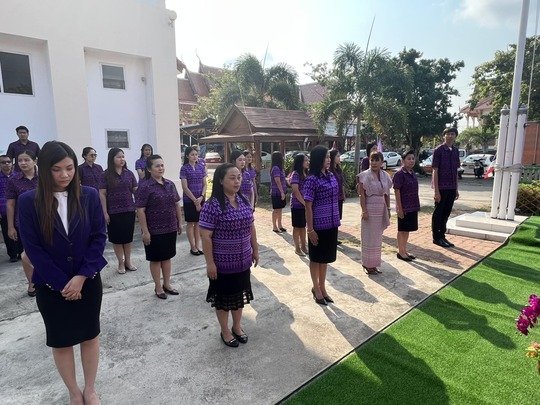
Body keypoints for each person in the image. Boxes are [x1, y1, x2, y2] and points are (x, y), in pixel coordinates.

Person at [17, 141, 106, 405]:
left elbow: (99, 237)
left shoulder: (89, 195)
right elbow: (32, 248)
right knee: (61, 341)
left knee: (90, 336)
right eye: (57, 169)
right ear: (44, 169)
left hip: (87, 281)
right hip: (50, 285)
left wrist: (81, 277)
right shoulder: (28, 202)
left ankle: (90, 389)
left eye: (69, 168)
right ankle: (73, 392)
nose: (65, 175)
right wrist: (62, 284)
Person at [200, 163, 259, 347]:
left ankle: (237, 327)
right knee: (224, 300)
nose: (237, 181)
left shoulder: (243, 200)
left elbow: (251, 227)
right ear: (220, 180)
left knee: (239, 296)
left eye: (239, 177)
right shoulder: (212, 205)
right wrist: (210, 263)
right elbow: (206, 236)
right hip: (222, 264)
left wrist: (255, 249)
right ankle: (225, 330)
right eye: (232, 178)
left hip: (243, 261)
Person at [136, 155, 183, 299]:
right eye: (157, 166)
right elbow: (140, 210)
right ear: (149, 169)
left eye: (162, 165)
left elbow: (176, 204)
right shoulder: (144, 187)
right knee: (156, 259)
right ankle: (158, 287)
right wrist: (145, 231)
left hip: (170, 227)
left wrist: (179, 222)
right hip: (153, 230)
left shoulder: (170, 184)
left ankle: (167, 284)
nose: (161, 168)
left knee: (167, 257)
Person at [304, 145, 340, 305]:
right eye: (326, 157)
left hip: (332, 224)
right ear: (318, 159)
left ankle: (322, 287)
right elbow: (308, 206)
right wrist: (310, 229)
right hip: (318, 226)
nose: (328, 160)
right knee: (316, 258)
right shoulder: (312, 179)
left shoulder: (331, 175)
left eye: (329, 157)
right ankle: (316, 288)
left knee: (325, 259)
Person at [99, 148, 138, 273]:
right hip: (113, 212)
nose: (122, 159)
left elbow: (135, 190)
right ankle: (121, 263)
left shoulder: (129, 173)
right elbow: (102, 194)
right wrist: (105, 212)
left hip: (129, 210)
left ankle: (128, 261)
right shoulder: (105, 175)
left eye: (123, 156)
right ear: (112, 159)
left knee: (127, 238)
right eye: (119, 157)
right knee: (117, 239)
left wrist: (140, 206)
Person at [6, 150, 39, 295]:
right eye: (20, 160)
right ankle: (32, 283)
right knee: (27, 254)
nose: (23, 163)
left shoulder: (45, 177)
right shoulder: (14, 180)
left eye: (26, 160)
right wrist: (10, 226)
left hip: (46, 220)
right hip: (25, 223)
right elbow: (11, 204)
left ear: (34, 161)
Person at [357, 151, 392, 275]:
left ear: (382, 162)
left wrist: (388, 209)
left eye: (377, 160)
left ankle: (374, 264)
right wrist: (364, 210)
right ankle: (367, 264)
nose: (374, 163)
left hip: (380, 209)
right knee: (368, 237)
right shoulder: (364, 176)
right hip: (369, 209)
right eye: (372, 160)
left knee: (377, 238)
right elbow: (362, 195)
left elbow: (387, 194)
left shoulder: (385, 176)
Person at [431, 127, 460, 248]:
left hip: (452, 187)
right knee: (439, 212)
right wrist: (436, 191)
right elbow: (435, 170)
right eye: (448, 134)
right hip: (441, 187)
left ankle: (442, 235)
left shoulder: (455, 151)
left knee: (446, 213)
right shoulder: (439, 150)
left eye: (452, 134)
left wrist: (456, 189)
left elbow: (456, 171)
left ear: (455, 136)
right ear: (444, 136)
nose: (450, 136)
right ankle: (436, 237)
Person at [393, 150, 420, 261]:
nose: (411, 161)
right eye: (408, 159)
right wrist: (399, 208)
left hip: (412, 206)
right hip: (404, 207)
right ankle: (401, 252)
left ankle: (404, 250)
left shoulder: (412, 173)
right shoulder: (399, 174)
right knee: (402, 230)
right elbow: (397, 191)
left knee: (407, 229)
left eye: (413, 158)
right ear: (403, 161)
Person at [180, 146, 207, 255]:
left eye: (196, 154)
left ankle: (198, 245)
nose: (195, 157)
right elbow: (185, 187)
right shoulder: (184, 168)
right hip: (189, 200)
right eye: (192, 155)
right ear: (187, 156)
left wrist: (201, 197)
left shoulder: (201, 167)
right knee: (191, 223)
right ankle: (192, 247)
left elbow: (205, 184)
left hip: (201, 198)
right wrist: (195, 200)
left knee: (198, 223)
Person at [289, 153, 309, 256]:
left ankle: (304, 246)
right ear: (300, 162)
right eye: (305, 160)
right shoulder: (295, 174)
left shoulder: (306, 173)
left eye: (308, 160)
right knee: (297, 227)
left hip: (304, 205)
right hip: (297, 205)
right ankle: (297, 248)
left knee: (303, 226)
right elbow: (295, 190)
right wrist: (304, 203)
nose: (308, 162)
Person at [0, 155, 16, 261]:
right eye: (3, 162)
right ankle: (12, 254)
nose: (6, 164)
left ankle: (20, 252)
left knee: (19, 231)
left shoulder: (17, 176)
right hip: (3, 210)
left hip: (17, 209)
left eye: (8, 162)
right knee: (7, 232)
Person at [329, 149, 346, 245]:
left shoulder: (338, 169)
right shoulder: (329, 171)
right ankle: (332, 238)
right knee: (333, 218)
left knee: (337, 218)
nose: (339, 158)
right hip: (333, 198)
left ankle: (335, 238)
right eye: (337, 156)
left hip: (339, 197)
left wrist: (343, 194)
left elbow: (341, 183)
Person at [271, 151, 287, 233]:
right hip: (276, 192)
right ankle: (274, 226)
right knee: (276, 209)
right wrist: (281, 192)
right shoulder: (276, 168)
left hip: (282, 191)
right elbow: (277, 180)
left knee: (280, 209)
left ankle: (280, 225)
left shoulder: (281, 168)